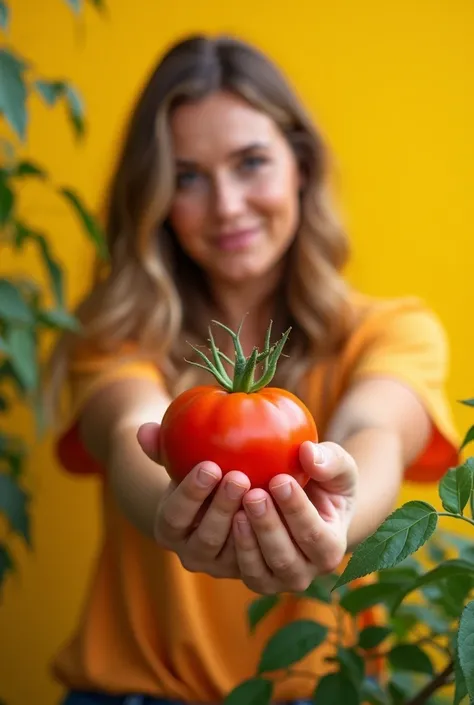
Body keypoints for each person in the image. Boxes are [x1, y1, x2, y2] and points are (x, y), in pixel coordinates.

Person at [47, 32, 460, 705]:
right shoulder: (115, 332)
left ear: (301, 166)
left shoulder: (392, 330)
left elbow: (374, 432)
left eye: (251, 162)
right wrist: (171, 514)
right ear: (153, 199)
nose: (228, 205)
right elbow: (135, 434)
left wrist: (339, 515)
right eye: (187, 177)